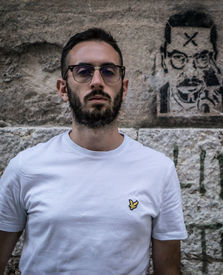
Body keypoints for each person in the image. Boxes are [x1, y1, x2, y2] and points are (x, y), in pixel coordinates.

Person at [0, 28, 187, 275]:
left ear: (124, 87)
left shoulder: (158, 170)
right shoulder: (26, 167)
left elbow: (168, 270)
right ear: (63, 89)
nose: (97, 81)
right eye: (83, 72)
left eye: (109, 72)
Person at [159, 10, 223, 115]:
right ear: (164, 60)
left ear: (213, 59)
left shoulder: (220, 101)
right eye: (179, 58)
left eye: (201, 58)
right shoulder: (159, 102)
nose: (190, 72)